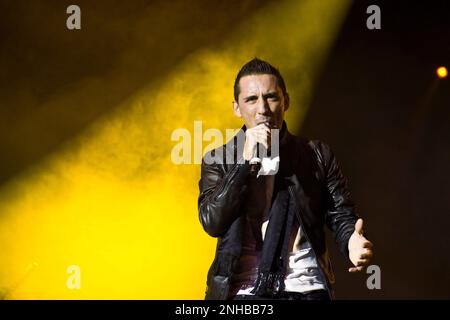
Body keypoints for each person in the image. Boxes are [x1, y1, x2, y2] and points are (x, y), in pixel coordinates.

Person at [197, 58, 373, 300]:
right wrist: (244, 163)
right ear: (237, 108)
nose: (263, 109)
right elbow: (213, 221)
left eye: (271, 97)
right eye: (251, 99)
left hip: (306, 287)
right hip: (242, 291)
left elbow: (340, 213)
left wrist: (351, 241)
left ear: (286, 101)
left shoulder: (316, 154)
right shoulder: (219, 159)